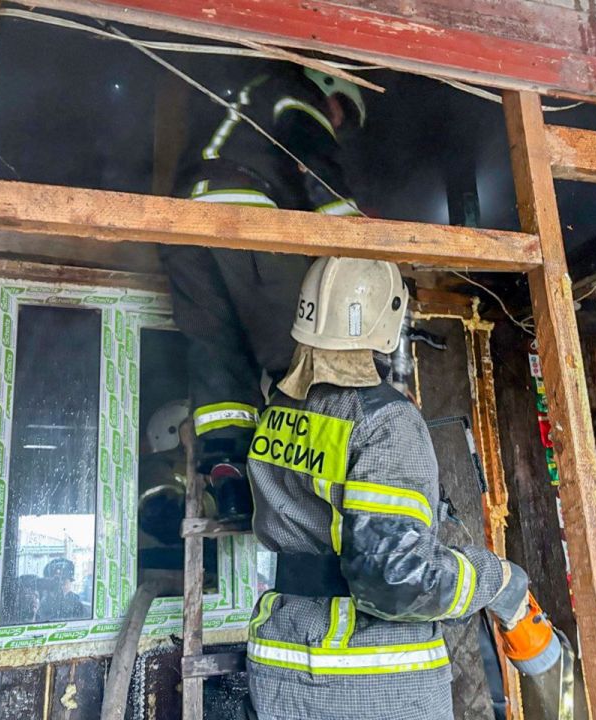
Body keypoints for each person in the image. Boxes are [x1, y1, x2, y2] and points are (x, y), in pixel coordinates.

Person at [245, 258, 560, 720]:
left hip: (281, 662)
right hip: (370, 677)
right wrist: (498, 580)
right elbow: (396, 578)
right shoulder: (384, 420)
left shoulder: (280, 411)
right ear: (386, 320)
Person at [160, 64, 367, 520]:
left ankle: (230, 476)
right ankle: (315, 477)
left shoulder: (237, 100)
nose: (335, 123)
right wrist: (354, 236)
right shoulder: (294, 89)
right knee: (297, 348)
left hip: (180, 220)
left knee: (219, 353)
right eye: (340, 113)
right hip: (241, 209)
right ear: (330, 88)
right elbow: (315, 155)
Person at [37, 558, 87, 622]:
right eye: (55, 581)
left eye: (63, 580)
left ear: (70, 581)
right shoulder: (39, 602)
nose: (58, 585)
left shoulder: (77, 606)